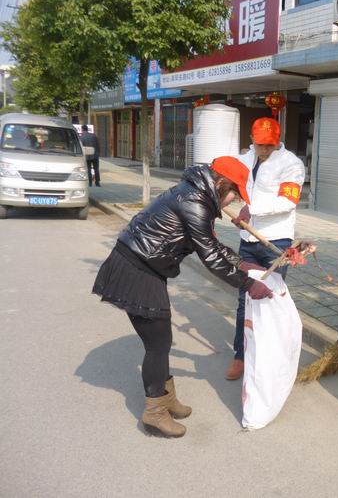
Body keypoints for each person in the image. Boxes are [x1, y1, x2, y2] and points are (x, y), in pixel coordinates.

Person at [92, 156, 272, 438]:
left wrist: (242, 263)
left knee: (161, 341)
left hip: (145, 265)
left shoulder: (196, 195)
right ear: (221, 183)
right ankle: (154, 413)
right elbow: (210, 256)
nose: (234, 201)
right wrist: (248, 284)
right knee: (158, 344)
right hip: (136, 268)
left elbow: (211, 245)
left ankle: (166, 399)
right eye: (234, 194)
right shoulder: (195, 201)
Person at [226, 117, 306, 380]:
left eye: (269, 145)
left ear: (277, 140)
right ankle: (241, 355)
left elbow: (288, 202)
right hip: (247, 241)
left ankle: (268, 358)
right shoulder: (245, 159)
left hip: (276, 241)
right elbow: (228, 181)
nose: (265, 149)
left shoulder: (291, 164)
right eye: (260, 144)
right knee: (244, 300)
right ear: (252, 139)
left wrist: (251, 209)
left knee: (272, 299)